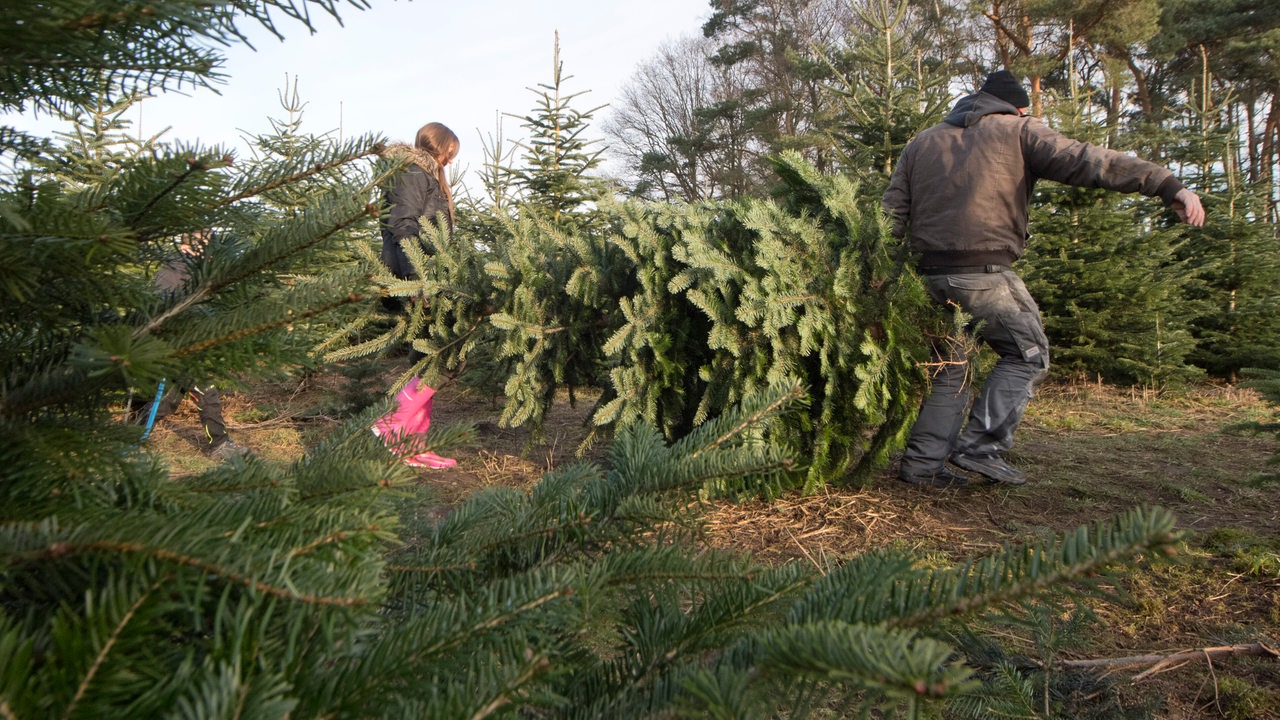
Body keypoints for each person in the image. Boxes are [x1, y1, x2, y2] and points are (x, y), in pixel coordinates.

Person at [882, 69, 1205, 488]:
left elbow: (890, 217)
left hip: (927, 278)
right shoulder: (1018, 130)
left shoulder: (921, 143)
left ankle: (922, 468)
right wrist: (1166, 184)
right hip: (984, 275)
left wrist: (882, 280)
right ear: (1016, 107)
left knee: (951, 367)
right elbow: (1089, 161)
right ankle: (981, 447)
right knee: (1027, 354)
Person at [372, 122, 461, 469]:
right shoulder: (412, 171)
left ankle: (412, 443)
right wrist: (415, 278)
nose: (450, 161)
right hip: (417, 278)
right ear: (436, 146)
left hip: (432, 278)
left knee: (431, 357)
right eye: (449, 153)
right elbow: (403, 226)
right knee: (440, 355)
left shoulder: (429, 176)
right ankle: (392, 425)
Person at [131, 235, 249, 461]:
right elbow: (164, 310)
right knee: (207, 391)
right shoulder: (175, 269)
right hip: (176, 346)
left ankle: (131, 435)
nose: (211, 253)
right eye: (208, 246)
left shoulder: (188, 268)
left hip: (184, 344)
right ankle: (220, 445)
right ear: (194, 245)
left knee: (167, 400)